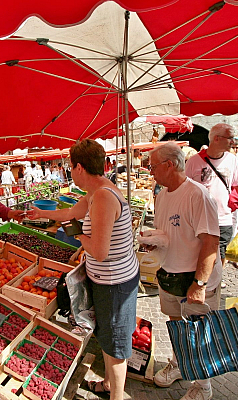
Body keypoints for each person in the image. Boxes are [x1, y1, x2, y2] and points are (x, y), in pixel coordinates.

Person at [26, 139, 139, 400]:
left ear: (79, 167)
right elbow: (70, 212)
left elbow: (99, 251)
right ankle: (109, 385)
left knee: (115, 346)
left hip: (114, 283)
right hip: (111, 278)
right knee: (109, 338)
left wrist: (76, 235)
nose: (69, 170)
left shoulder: (102, 196)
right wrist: (41, 215)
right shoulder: (95, 192)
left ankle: (116, 396)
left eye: (69, 166)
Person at [146, 143, 221, 400]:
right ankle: (179, 364)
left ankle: (203, 385)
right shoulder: (162, 194)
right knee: (176, 325)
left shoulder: (197, 195)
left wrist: (199, 284)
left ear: (170, 164)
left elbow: (211, 242)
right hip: (170, 273)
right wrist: (152, 242)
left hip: (194, 278)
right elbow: (167, 233)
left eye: (153, 166)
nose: (150, 171)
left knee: (199, 331)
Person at [185, 123, 238, 286]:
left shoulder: (232, 160)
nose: (233, 142)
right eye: (230, 138)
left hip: (224, 216)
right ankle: (201, 281)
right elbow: (184, 189)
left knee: (221, 251)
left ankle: (216, 280)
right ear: (217, 139)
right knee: (199, 249)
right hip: (198, 216)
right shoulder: (193, 162)